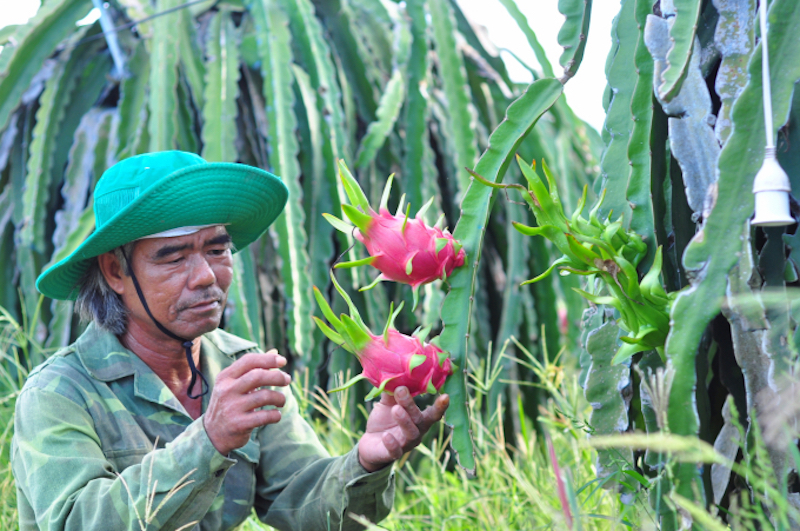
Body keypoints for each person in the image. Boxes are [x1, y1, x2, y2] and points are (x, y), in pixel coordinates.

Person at [11, 151, 450, 531]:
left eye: (217, 251)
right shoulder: (59, 393)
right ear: (115, 272)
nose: (206, 276)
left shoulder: (242, 366)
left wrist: (366, 462)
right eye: (175, 256)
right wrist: (208, 439)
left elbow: (301, 503)